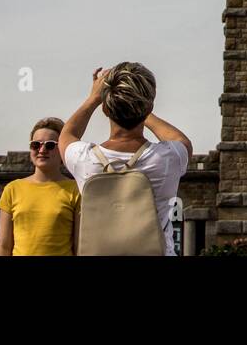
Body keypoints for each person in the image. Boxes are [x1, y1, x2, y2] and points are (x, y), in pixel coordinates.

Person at [59, 62, 192, 255]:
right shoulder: (168, 158)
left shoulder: (83, 158)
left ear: (105, 109)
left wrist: (94, 98)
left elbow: (66, 135)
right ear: (148, 107)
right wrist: (140, 106)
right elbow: (180, 140)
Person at [0, 117, 81, 256]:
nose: (42, 150)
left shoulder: (75, 190)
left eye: (50, 145)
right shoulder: (12, 189)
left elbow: (79, 247)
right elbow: (3, 247)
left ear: (61, 149)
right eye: (36, 144)